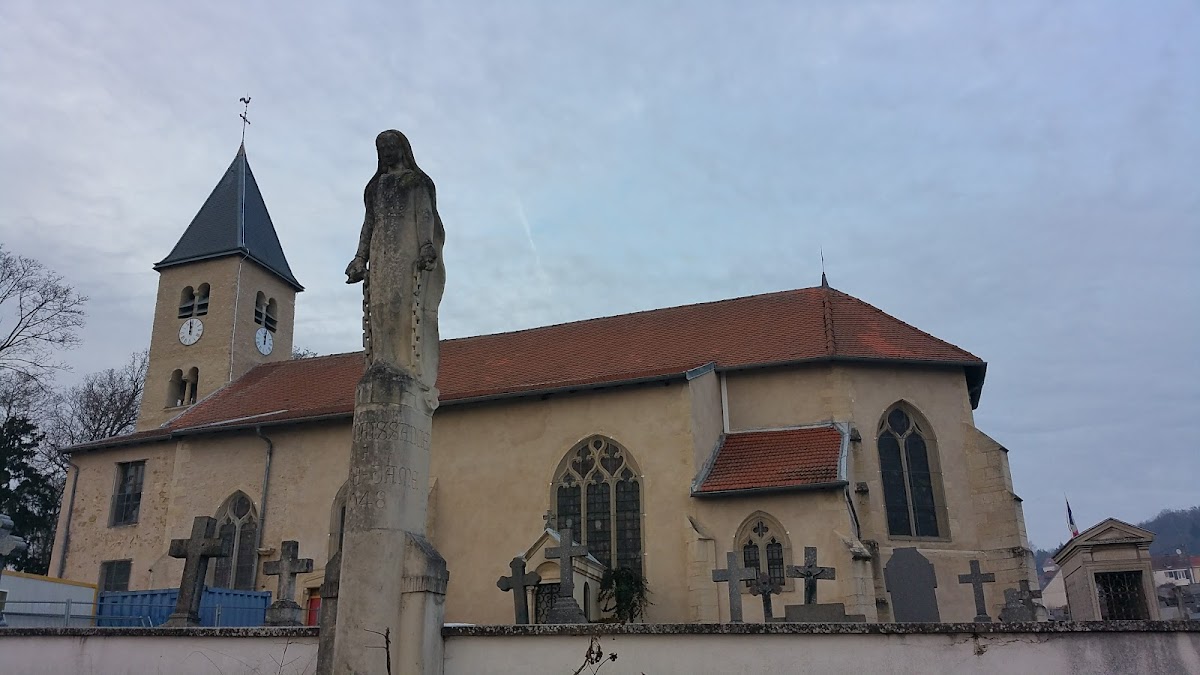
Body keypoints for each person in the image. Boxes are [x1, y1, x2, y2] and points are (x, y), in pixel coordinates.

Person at [345, 130, 446, 393]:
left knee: (402, 303)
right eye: (382, 149)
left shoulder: (416, 182)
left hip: (406, 251)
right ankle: (382, 360)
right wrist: (360, 257)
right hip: (380, 253)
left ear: (402, 149)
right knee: (380, 306)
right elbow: (369, 223)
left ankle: (402, 363)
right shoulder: (374, 187)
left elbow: (425, 214)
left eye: (391, 147)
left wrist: (426, 245)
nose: (387, 152)